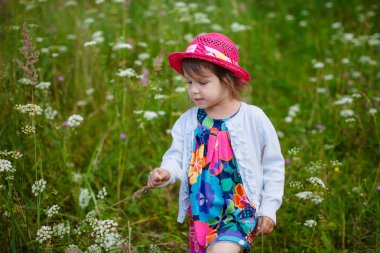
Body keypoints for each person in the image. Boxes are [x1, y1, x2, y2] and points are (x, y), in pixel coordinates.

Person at [147, 32, 285, 253]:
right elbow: (176, 157)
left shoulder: (253, 118)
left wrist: (269, 209)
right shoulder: (188, 121)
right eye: (189, 82)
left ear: (227, 79)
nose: (193, 89)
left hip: (239, 213)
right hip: (201, 215)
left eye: (203, 82)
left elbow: (273, 166)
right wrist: (165, 172)